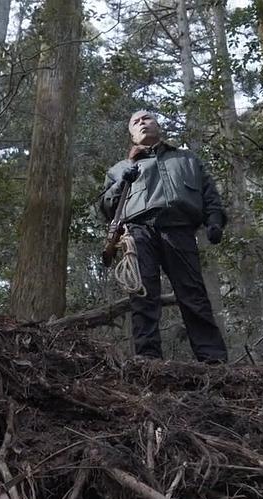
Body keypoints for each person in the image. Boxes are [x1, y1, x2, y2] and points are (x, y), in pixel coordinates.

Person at [99, 110, 228, 363]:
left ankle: (213, 360)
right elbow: (105, 206)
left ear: (157, 125)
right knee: (143, 295)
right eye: (135, 122)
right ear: (131, 133)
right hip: (138, 232)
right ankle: (148, 359)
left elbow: (209, 193)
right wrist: (120, 183)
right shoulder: (120, 168)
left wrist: (214, 222)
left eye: (146, 119)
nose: (142, 123)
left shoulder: (186, 159)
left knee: (193, 295)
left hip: (179, 229)